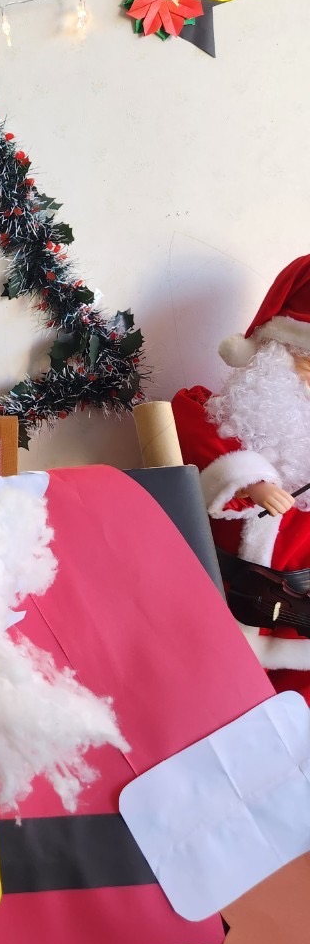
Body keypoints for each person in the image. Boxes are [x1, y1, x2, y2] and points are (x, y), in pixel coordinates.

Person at [172, 254, 310, 699]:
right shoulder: (218, 411)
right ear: (273, 353)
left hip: (300, 607)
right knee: (226, 693)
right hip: (238, 588)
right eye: (306, 365)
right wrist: (251, 480)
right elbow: (191, 432)